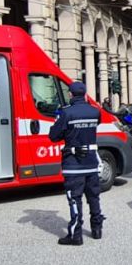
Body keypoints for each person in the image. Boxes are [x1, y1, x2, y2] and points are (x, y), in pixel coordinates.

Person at [49, 81, 104, 245]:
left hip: (73, 164)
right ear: (85, 94)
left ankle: (76, 235)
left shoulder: (66, 113)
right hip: (92, 162)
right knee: (94, 197)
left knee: (75, 199)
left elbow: (54, 136)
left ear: (70, 95)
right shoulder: (95, 111)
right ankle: (97, 229)